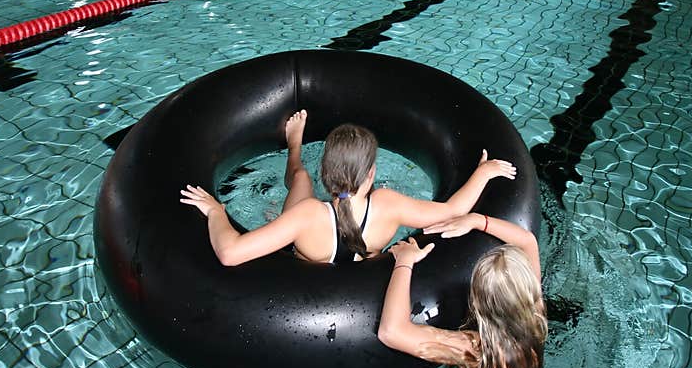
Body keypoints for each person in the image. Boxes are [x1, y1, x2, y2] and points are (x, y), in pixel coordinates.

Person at [180, 109, 516, 266]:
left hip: (308, 251)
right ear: (371, 174)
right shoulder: (387, 204)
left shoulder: (307, 215)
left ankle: (294, 146)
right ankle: (294, 147)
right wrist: (484, 172)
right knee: (300, 189)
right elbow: (453, 210)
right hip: (362, 266)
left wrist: (215, 211)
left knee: (299, 179)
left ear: (326, 170)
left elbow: (230, 253)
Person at [378, 212, 547, 368]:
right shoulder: (536, 311)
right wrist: (476, 220)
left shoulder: (474, 349)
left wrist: (404, 261)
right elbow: (528, 241)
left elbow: (391, 332)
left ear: (478, 302)